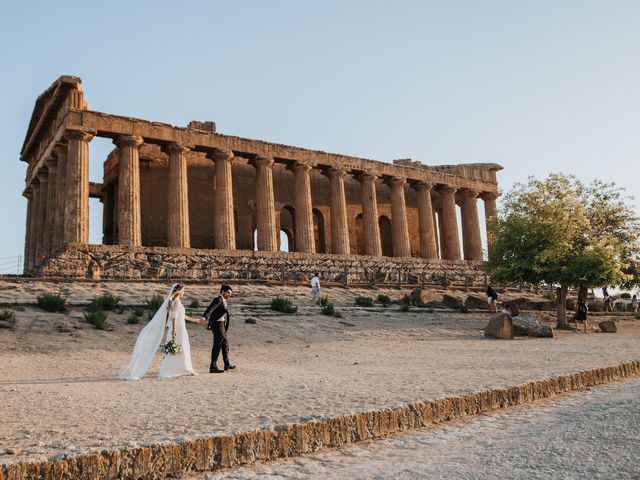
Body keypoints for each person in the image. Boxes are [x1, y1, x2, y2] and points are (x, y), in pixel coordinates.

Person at [119, 283, 204, 380]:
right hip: (178, 328)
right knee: (181, 347)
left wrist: (195, 320)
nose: (184, 292)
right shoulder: (176, 302)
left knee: (182, 347)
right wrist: (174, 330)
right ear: (179, 291)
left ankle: (185, 368)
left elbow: (180, 315)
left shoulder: (175, 301)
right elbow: (174, 317)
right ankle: (172, 369)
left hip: (178, 327)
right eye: (183, 290)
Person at [202, 284, 235, 373]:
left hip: (221, 324)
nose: (229, 294)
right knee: (217, 344)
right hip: (217, 324)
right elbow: (211, 308)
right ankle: (213, 366)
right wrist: (205, 317)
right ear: (222, 292)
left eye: (230, 293)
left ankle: (226, 364)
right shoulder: (218, 299)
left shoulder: (223, 300)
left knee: (225, 344)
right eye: (228, 293)